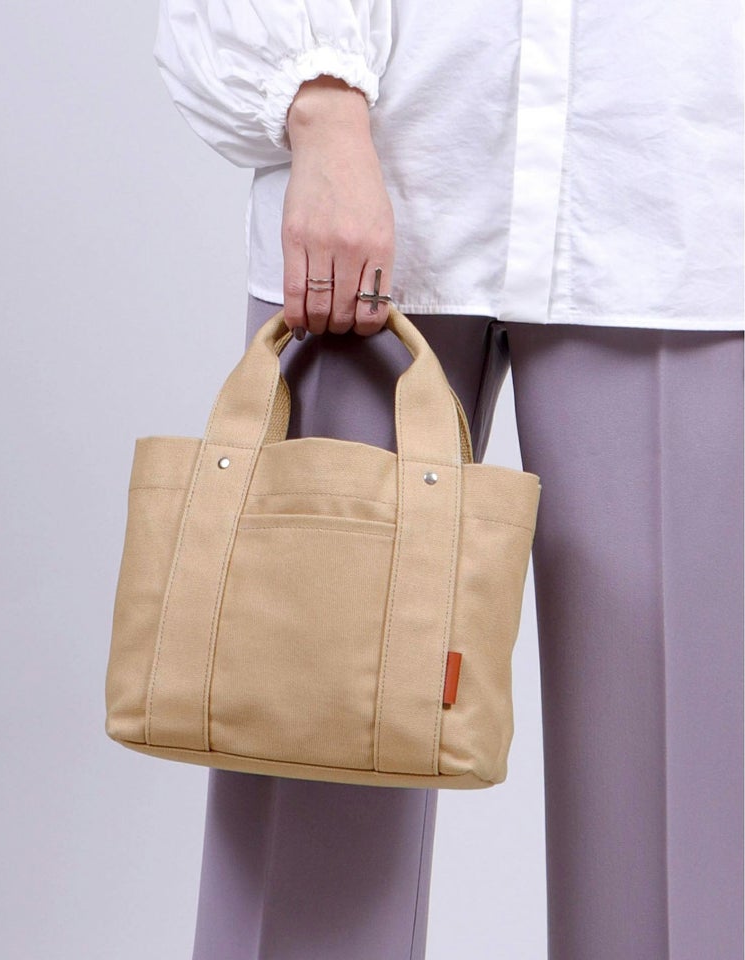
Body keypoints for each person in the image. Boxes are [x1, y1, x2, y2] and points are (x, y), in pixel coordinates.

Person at [152, 2, 744, 958]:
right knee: (305, 749)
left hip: (678, 193)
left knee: (683, 805)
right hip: (373, 189)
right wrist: (319, 106)